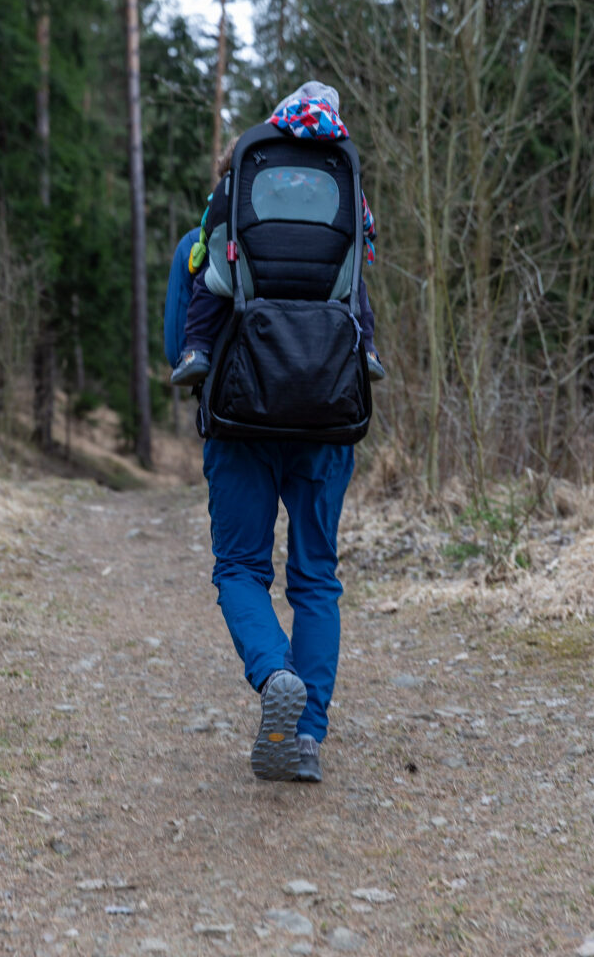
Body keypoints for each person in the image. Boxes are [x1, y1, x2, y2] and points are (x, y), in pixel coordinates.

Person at [174, 82, 372, 783]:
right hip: (326, 418)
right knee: (315, 579)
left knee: (239, 569)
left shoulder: (202, 242)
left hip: (239, 423)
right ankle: (307, 733)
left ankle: (271, 675)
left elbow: (181, 343)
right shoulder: (340, 227)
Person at [170, 83, 385, 387]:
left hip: (236, 402)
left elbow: (217, 219)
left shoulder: (257, 174)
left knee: (211, 279)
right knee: (356, 285)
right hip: (328, 408)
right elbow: (365, 225)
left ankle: (196, 349)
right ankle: (368, 350)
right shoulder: (338, 180)